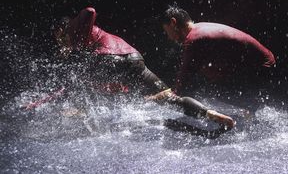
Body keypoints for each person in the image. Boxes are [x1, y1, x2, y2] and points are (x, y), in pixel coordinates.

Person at [47, 7, 235, 128]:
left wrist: (74, 39)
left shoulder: (74, 29)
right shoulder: (82, 40)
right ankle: (209, 113)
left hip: (114, 59)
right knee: (169, 96)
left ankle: (81, 109)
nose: (61, 43)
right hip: (133, 59)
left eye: (60, 38)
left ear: (62, 30)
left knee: (76, 74)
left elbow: (90, 11)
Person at [153, 4, 276, 95]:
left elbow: (180, 89)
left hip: (261, 70)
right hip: (265, 66)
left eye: (166, 31)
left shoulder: (194, 39)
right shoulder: (199, 29)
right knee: (208, 86)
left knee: (212, 95)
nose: (169, 38)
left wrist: (153, 99)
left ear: (173, 23)